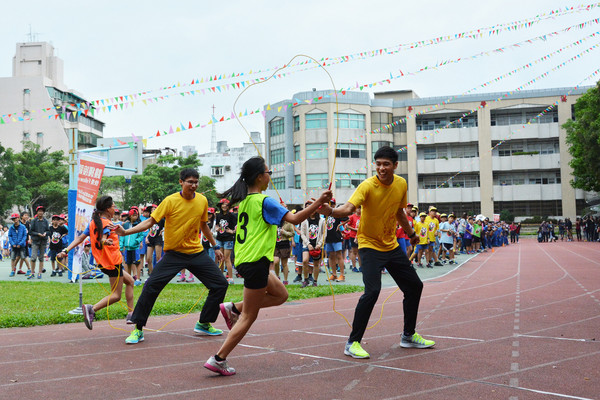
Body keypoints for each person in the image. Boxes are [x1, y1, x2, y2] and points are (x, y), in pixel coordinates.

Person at [205, 156, 332, 375]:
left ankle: (233, 307)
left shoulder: (245, 201)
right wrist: (319, 202)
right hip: (255, 262)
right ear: (259, 177)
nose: (269, 176)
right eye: (268, 172)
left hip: (248, 259)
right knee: (249, 317)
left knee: (281, 295)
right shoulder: (264, 201)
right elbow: (294, 219)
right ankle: (218, 358)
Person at [318, 146, 435, 359]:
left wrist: (410, 233)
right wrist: (332, 211)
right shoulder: (367, 186)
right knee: (372, 291)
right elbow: (349, 208)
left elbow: (399, 211)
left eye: (386, 164)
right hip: (369, 244)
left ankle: (408, 336)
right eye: (378, 164)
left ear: (395, 166)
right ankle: (352, 343)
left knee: (415, 286)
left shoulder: (401, 184)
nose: (381, 168)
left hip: (390, 245)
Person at [114, 168, 228, 344]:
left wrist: (215, 245)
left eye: (196, 182)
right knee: (151, 286)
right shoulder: (170, 201)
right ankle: (138, 329)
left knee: (220, 284)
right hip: (174, 254)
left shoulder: (202, 201)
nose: (194, 185)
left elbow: (204, 225)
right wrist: (126, 231)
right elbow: (150, 222)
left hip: (196, 252)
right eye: (190, 182)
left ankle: (204, 323)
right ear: (181, 182)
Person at [59, 196, 134, 328]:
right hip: (112, 262)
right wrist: (105, 241)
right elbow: (102, 238)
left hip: (102, 263)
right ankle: (91, 309)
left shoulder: (93, 222)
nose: (115, 209)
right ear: (107, 209)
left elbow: (80, 239)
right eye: (113, 207)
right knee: (116, 296)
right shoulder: (107, 224)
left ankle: (131, 313)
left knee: (130, 281)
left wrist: (66, 250)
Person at [300, 201, 325, 287]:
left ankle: (315, 281)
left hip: (317, 245)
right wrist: (308, 244)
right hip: (307, 245)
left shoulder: (322, 220)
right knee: (305, 261)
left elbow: (324, 233)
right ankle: (306, 279)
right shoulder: (304, 220)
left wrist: (319, 244)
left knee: (316, 264)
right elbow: (302, 233)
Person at [120, 206, 145, 285]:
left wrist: (137, 241)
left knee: (137, 263)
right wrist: (121, 245)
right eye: (133, 215)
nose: (135, 217)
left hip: (135, 248)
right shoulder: (126, 225)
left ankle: (137, 279)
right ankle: (129, 279)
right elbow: (122, 235)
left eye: (136, 215)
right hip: (127, 248)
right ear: (130, 215)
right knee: (128, 263)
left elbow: (141, 235)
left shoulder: (139, 225)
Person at [325, 199, 347, 282]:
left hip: (337, 237)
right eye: (329, 203)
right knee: (331, 256)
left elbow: (347, 219)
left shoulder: (337, 213)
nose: (331, 205)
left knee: (339, 255)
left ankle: (342, 275)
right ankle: (334, 274)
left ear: (334, 204)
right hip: (328, 238)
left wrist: (340, 225)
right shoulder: (325, 214)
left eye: (332, 203)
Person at [215, 198, 237, 279]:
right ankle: (221, 278)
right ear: (220, 206)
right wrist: (217, 228)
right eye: (222, 204)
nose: (224, 206)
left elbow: (236, 226)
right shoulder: (218, 215)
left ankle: (230, 278)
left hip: (228, 239)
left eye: (226, 205)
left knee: (227, 258)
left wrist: (232, 231)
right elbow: (217, 225)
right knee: (221, 259)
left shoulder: (232, 215)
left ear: (228, 206)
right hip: (219, 238)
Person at [29, 206, 50, 277]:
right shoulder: (33, 221)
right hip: (35, 241)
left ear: (43, 212)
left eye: (42, 211)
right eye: (39, 211)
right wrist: (37, 234)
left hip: (43, 241)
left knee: (41, 257)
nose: (40, 212)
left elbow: (48, 231)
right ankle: (32, 273)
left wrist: (45, 233)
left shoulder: (46, 221)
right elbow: (30, 231)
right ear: (37, 212)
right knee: (33, 257)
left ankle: (40, 272)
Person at [145, 204, 164, 276]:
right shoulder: (150, 220)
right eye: (152, 209)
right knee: (148, 258)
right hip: (151, 238)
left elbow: (168, 226)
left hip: (158, 239)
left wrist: (162, 231)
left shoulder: (161, 219)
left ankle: (159, 273)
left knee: (158, 258)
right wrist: (147, 237)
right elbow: (150, 230)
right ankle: (152, 274)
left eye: (154, 208)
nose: (153, 210)